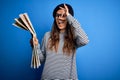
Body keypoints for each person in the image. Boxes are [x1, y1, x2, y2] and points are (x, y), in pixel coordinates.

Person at [31, 3, 89, 80]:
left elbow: (85, 40)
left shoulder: (74, 37)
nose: (60, 18)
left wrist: (69, 17)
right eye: (57, 15)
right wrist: (35, 46)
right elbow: (41, 60)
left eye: (64, 16)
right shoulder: (47, 36)